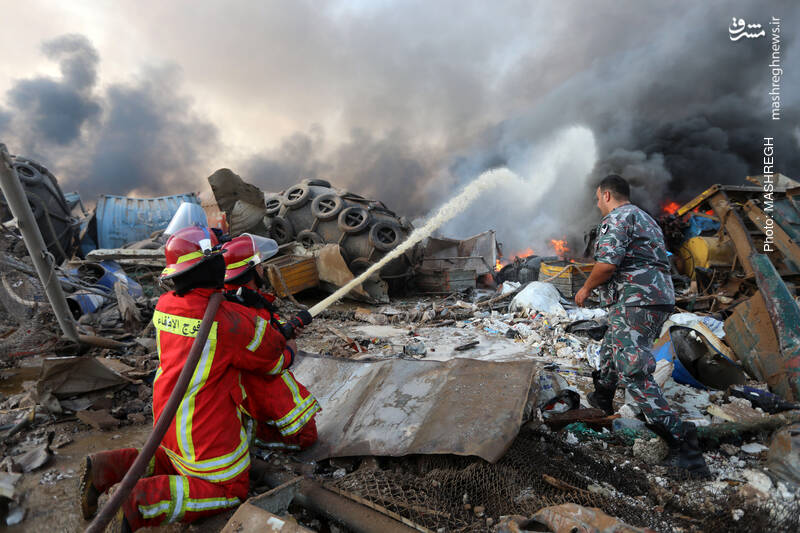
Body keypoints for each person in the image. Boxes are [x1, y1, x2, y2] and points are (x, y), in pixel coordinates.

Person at [79, 225, 291, 531]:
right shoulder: (230, 321)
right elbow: (271, 356)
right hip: (206, 434)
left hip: (169, 421)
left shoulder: (166, 304)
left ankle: (105, 467)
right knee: (229, 490)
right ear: (214, 265)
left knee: (169, 461)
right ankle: (138, 503)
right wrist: (286, 341)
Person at [575, 174, 709, 477]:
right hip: (654, 298)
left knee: (633, 370)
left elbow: (607, 265)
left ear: (607, 195)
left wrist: (585, 288)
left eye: (598, 199)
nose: (598, 205)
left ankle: (683, 441)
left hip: (636, 301)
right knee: (613, 344)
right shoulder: (646, 219)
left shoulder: (616, 218)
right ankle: (602, 398)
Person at [221, 233, 320, 452]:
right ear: (250, 270)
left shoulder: (239, 299)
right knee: (307, 436)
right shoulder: (244, 313)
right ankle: (271, 448)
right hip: (260, 390)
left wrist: (287, 328)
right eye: (259, 264)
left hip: (247, 391)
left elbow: (267, 324)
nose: (263, 268)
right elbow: (269, 362)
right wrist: (290, 349)